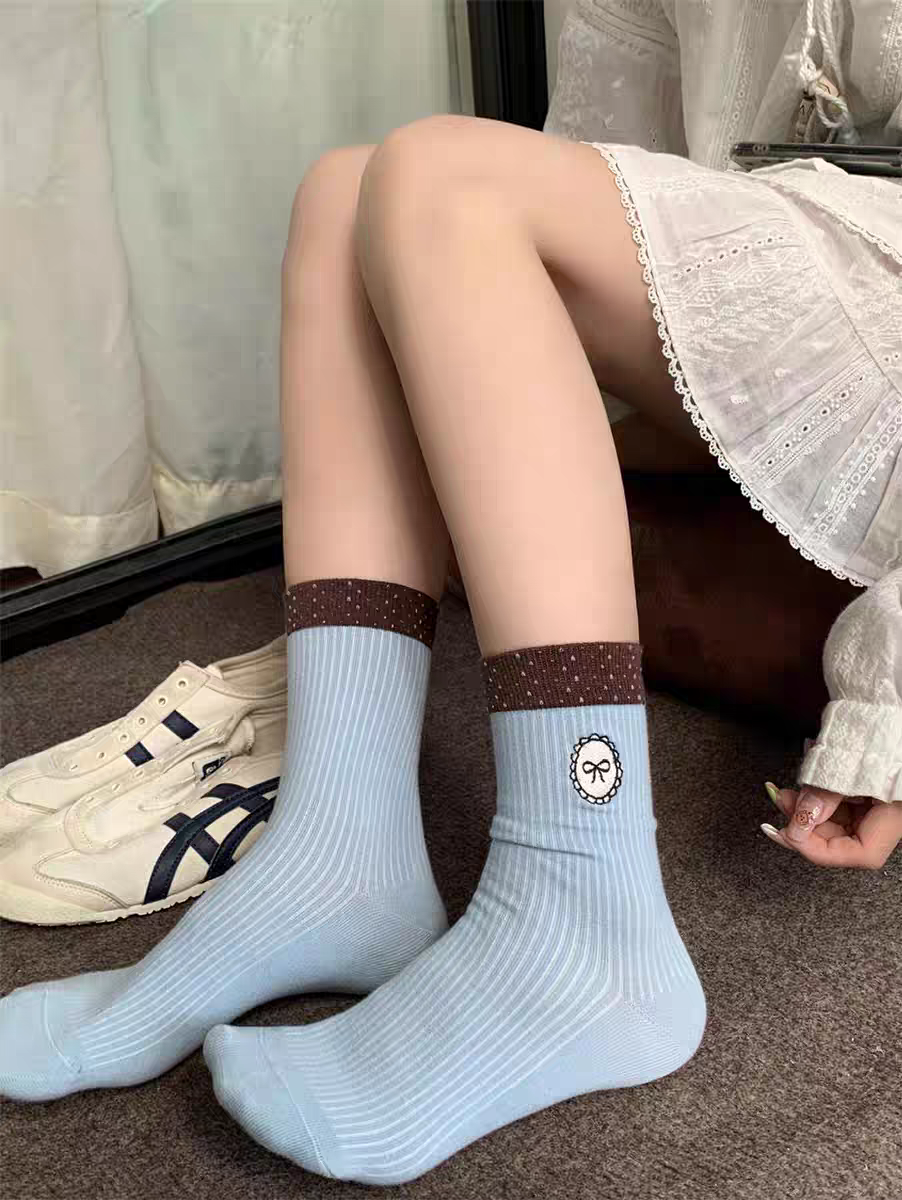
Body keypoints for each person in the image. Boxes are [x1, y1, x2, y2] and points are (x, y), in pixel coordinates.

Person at [1, 0, 899, 1185]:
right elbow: (606, 159)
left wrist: (885, 701)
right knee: (353, 195)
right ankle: (339, 839)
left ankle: (583, 906)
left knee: (437, 178)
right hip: (768, 264)